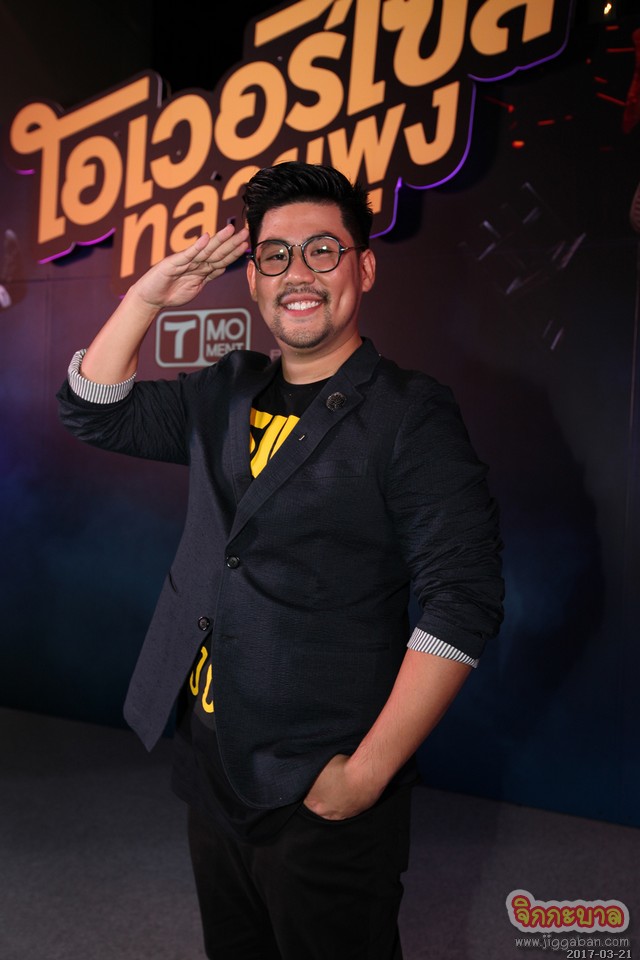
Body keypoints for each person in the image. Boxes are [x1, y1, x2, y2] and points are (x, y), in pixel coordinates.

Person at [57, 161, 503, 960]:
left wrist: (365, 776)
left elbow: (463, 598)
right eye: (274, 255)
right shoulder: (226, 387)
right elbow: (96, 412)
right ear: (255, 278)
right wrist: (147, 299)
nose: (298, 273)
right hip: (212, 762)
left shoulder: (409, 414)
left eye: (323, 250)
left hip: (319, 782)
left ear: (364, 269)